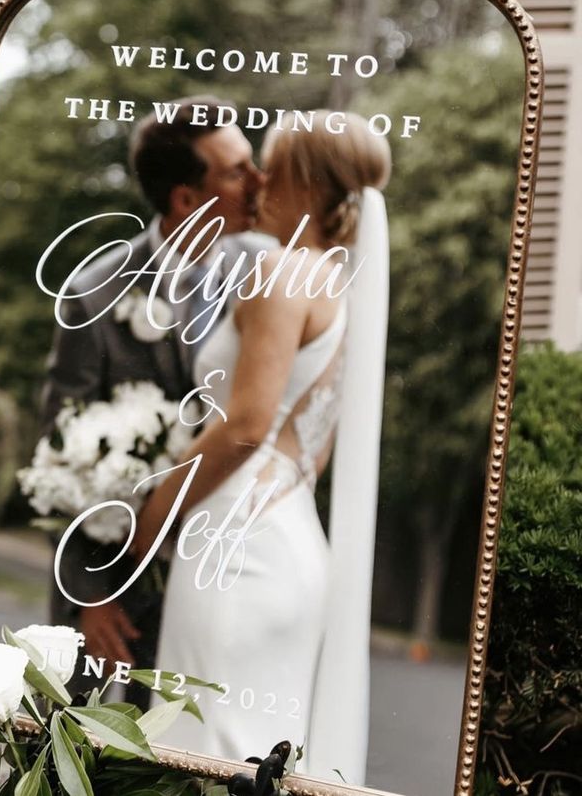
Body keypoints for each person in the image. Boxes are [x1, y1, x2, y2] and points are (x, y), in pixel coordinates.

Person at [132, 111, 392, 780]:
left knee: (207, 752)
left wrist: (151, 519)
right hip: (293, 538)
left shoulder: (282, 273)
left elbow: (246, 427)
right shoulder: (338, 285)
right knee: (261, 759)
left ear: (304, 179)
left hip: (237, 546)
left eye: (271, 164)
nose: (260, 180)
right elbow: (314, 447)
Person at [40, 96, 267, 703]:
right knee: (76, 750)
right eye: (238, 170)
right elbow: (59, 450)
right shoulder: (93, 295)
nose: (260, 180)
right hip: (120, 582)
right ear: (186, 199)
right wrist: (90, 598)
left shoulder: (272, 273)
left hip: (237, 565)